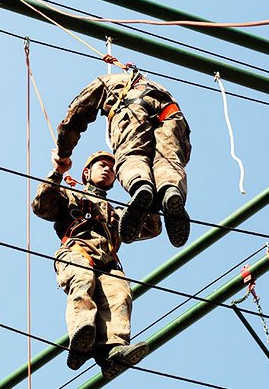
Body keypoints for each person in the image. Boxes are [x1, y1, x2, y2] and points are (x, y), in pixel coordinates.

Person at [32, 150, 160, 379]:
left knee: (120, 295)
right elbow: (42, 206)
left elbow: (152, 228)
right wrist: (58, 172)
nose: (108, 170)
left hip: (109, 263)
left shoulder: (116, 214)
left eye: (112, 169)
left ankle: (113, 353)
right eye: (102, 165)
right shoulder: (72, 195)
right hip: (77, 250)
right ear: (86, 172)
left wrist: (148, 188)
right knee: (82, 280)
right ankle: (83, 334)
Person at [54, 71, 192, 248]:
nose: (107, 170)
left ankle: (140, 185)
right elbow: (181, 155)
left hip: (133, 106)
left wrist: (63, 151)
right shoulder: (155, 84)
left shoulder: (108, 81)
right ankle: (171, 191)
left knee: (132, 156)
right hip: (173, 115)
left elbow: (79, 110)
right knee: (168, 162)